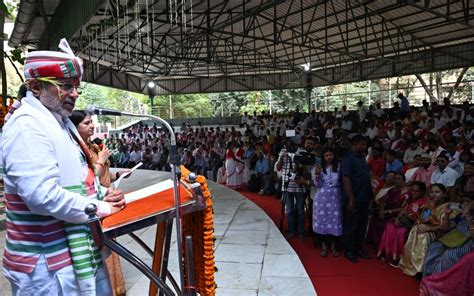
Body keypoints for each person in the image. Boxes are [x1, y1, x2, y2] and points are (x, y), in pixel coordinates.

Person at [1, 40, 125, 295]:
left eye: (76, 87)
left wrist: (102, 195)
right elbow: (42, 196)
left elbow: (78, 181)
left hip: (76, 254)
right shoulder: (27, 126)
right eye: (65, 86)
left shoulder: (60, 123)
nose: (75, 94)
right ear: (36, 87)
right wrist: (100, 208)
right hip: (46, 267)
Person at [399, 184, 457, 276]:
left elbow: (445, 227)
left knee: (424, 235)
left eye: (437, 192)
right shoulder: (429, 204)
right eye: (432, 192)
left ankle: (420, 268)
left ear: (444, 194)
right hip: (428, 229)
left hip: (440, 233)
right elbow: (423, 220)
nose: (434, 194)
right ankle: (411, 264)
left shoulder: (448, 207)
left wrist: (429, 228)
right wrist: (430, 208)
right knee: (416, 229)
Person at [377, 181, 428, 266]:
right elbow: (402, 210)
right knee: (389, 225)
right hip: (402, 221)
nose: (413, 193)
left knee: (401, 232)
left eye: (416, 191)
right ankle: (385, 254)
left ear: (422, 192)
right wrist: (397, 218)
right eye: (412, 190)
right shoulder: (409, 199)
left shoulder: (425, 203)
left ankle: (396, 258)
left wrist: (408, 216)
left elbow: (424, 220)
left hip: (413, 225)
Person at [341, 135, 373, 263]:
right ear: (354, 144)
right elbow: (346, 179)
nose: (364, 147)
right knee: (351, 225)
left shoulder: (361, 158)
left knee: (361, 225)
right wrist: (351, 199)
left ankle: (358, 248)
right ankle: (349, 250)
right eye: (362, 144)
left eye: (365, 145)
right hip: (354, 197)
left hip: (364, 197)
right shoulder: (348, 159)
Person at [312, 147, 342, 257]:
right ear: (323, 157)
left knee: (335, 222)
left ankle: (334, 246)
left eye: (331, 155)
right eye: (327, 155)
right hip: (321, 198)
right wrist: (317, 174)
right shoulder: (319, 167)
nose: (329, 157)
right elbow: (317, 185)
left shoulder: (339, 167)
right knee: (322, 221)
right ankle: (324, 246)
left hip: (335, 197)